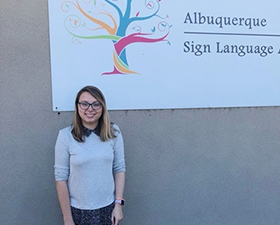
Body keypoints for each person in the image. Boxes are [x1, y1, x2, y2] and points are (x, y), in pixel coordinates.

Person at [54, 85, 126, 225]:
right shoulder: (65, 136)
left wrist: (118, 204)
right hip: (78, 212)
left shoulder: (114, 132)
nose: (90, 109)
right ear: (77, 106)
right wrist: (67, 218)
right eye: (85, 104)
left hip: (109, 209)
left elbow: (119, 169)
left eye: (96, 104)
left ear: (102, 107)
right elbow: (61, 179)